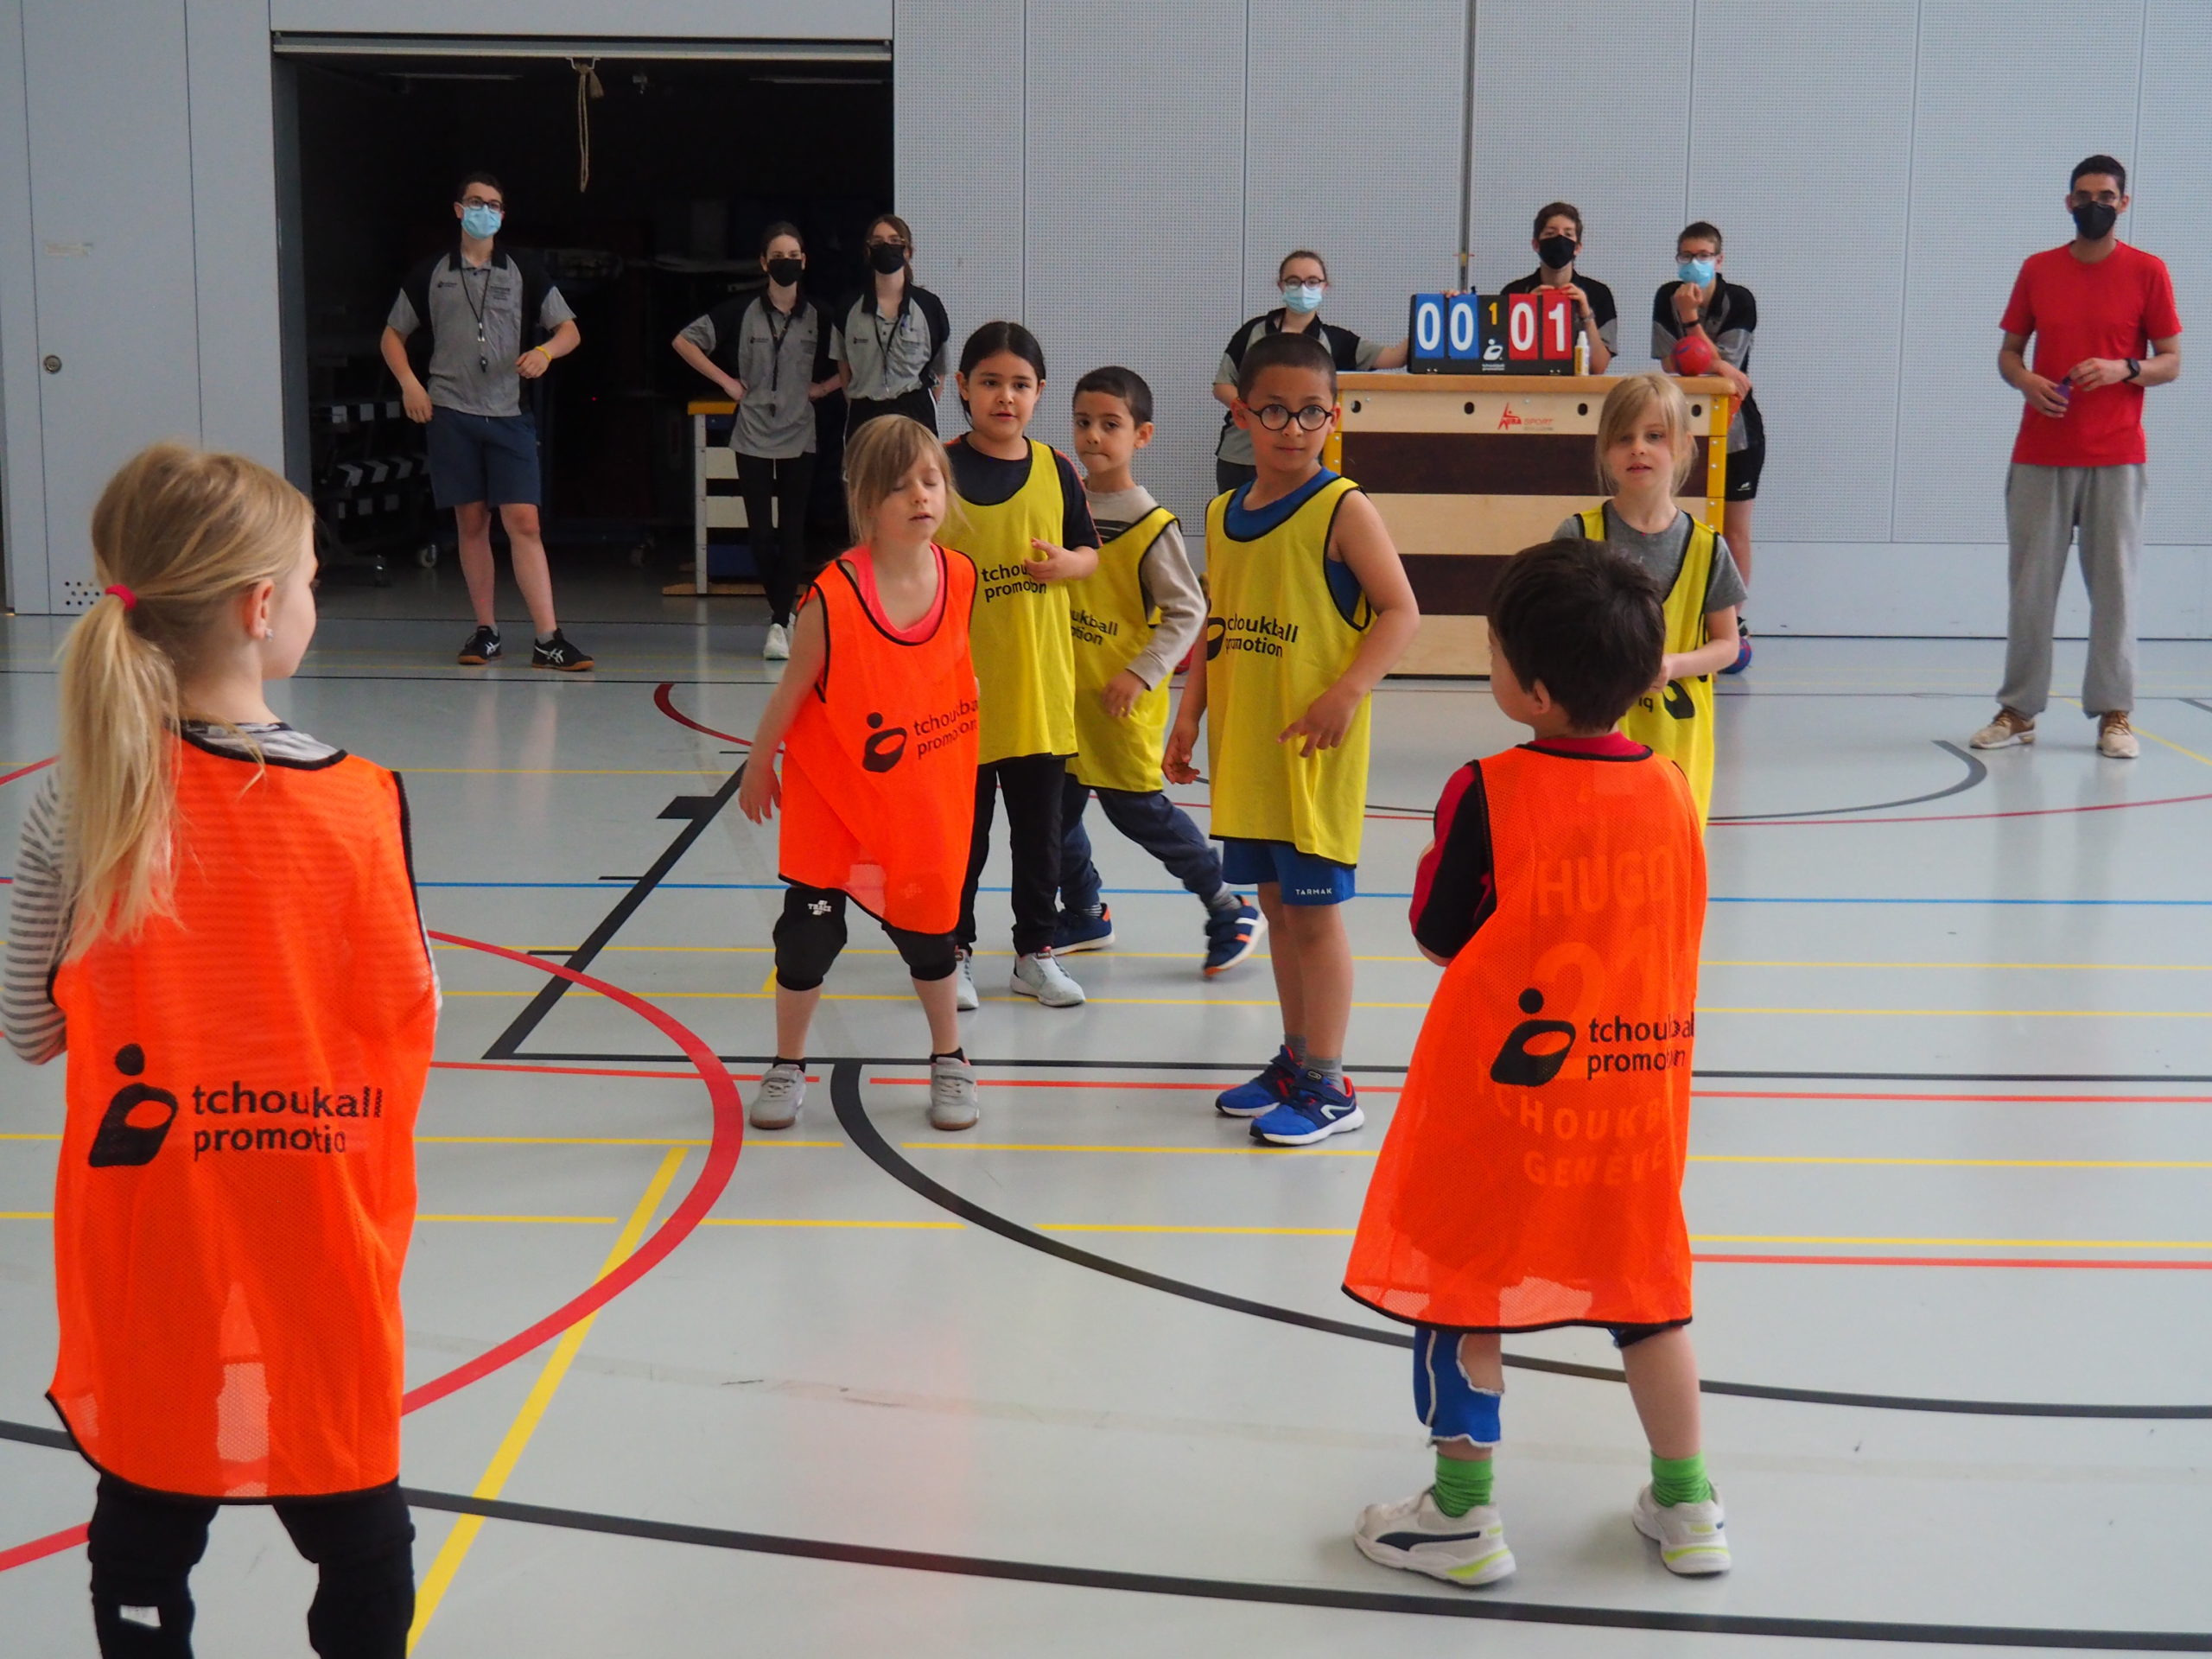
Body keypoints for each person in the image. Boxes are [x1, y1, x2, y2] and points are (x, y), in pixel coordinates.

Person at [5, 444, 438, 1656]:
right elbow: (410, 1010)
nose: (311, 601)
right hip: (315, 1208)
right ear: (259, 609)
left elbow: (30, 1027)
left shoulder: (78, 798)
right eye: (309, 582)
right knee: (355, 1515)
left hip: (153, 1218)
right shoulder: (362, 802)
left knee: (146, 1507)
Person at [1344, 536, 1726, 1588]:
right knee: (1648, 1296)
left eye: (1496, 652)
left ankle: (1460, 1514)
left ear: (1537, 692)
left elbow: (1439, 935)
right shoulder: (1671, 790)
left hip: (1503, 1108)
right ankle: (1688, 1504)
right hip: (1630, 1106)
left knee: (1457, 1290)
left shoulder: (1487, 789)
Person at [1167, 331, 1419, 1146]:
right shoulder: (1222, 513)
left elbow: (1401, 611)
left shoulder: (1343, 508)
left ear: (1333, 417)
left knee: (1315, 919)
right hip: (1250, 752)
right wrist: (1189, 714)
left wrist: (1348, 690)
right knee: (1277, 911)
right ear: (1241, 414)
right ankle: (1297, 1057)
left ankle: (1330, 1084)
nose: (1293, 427)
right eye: (1274, 410)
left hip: (1314, 756)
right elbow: (1220, 622)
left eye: (1312, 412)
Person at [735, 417, 982, 1133]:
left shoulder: (961, 576)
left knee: (931, 935)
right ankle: (787, 1063)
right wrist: (758, 764)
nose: (921, 497)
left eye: (931, 481)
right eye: (900, 486)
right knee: (806, 937)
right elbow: (791, 691)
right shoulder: (833, 595)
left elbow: (951, 673)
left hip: (919, 795)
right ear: (866, 500)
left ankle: (950, 1058)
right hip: (833, 795)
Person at [1052, 365, 1265, 976]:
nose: (1094, 436)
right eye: (1083, 422)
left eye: (1110, 424)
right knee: (1052, 817)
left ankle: (1229, 907)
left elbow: (1188, 610)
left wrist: (1142, 672)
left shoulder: (1150, 524)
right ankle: (1085, 910)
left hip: (1119, 704)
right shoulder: (1064, 506)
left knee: (1139, 814)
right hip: (1064, 700)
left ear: (1142, 435)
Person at [1974, 154, 2183, 761]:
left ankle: (2115, 714)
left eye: (2107, 196)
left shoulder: (2148, 271)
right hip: (2040, 453)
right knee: (2030, 591)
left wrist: (2126, 368)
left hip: (2117, 455)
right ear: (2069, 203)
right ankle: (2019, 711)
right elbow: (2009, 353)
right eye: (2085, 195)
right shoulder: (2038, 269)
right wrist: (2025, 381)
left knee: (2115, 590)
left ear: (2124, 203)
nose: (2095, 205)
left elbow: (2172, 361)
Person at [944, 322, 1101, 1010]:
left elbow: (1089, 553)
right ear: (963, 387)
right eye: (990, 382)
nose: (1005, 396)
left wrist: (1070, 564)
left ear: (1039, 392)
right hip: (958, 697)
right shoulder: (937, 467)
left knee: (1040, 840)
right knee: (962, 840)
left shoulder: (1057, 469)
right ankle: (953, 953)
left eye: (1020, 384)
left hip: (1039, 691)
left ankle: (1035, 954)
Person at [380, 171, 593, 671]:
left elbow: (569, 331)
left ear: (503, 214)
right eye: (476, 202)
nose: (485, 210)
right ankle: (486, 630)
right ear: (459, 210)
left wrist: (545, 352)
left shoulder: (523, 270)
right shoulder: (430, 273)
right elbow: (392, 335)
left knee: (524, 521)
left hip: (508, 413)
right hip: (451, 411)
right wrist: (411, 384)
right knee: (471, 521)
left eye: (494, 204)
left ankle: (548, 637)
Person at [1558, 372, 1743, 828]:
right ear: (1605, 450)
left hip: (1678, 742)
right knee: (1599, 853)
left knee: (1668, 858)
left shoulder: (1707, 548)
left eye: (1655, 436)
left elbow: (1728, 645)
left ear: (1683, 446)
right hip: (1595, 736)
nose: (1638, 448)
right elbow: (1551, 633)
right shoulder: (1578, 536)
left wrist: (1672, 665)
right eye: (1624, 437)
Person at [672, 221, 842, 661]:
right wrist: (726, 381)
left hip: (800, 433)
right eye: (778, 256)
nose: (787, 263)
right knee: (761, 535)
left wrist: (824, 388)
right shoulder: (740, 310)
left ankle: (778, 622)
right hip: (751, 434)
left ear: (805, 261)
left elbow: (855, 360)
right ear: (764, 263)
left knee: (792, 530)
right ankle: (784, 613)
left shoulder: (821, 315)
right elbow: (684, 341)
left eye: (794, 256)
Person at [1652, 220, 1760, 673]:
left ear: (1719, 259)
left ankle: (1734, 625)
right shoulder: (1667, 296)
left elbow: (1723, 367)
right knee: (1680, 524)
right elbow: (1672, 363)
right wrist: (1711, 361)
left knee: (1733, 532)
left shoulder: (1740, 300)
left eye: (1703, 255)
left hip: (1738, 431)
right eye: (1686, 255)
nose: (1693, 263)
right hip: (1683, 428)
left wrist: (1693, 323)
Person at [1211, 251, 1409, 497]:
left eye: (1313, 281)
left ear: (1325, 286)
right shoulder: (1253, 332)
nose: (1303, 289)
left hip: (1303, 460)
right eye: (1294, 281)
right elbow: (1222, 385)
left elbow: (1395, 357)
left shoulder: (1337, 341)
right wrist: (1262, 414)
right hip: (1242, 458)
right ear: (1281, 285)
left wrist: (1444, 309)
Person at [830, 213, 952, 435]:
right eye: (878, 242)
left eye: (895, 241)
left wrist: (926, 403)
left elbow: (940, 367)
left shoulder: (929, 306)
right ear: (868, 251)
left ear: (908, 251)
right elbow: (843, 364)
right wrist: (855, 400)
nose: (886, 247)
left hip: (916, 413)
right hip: (865, 414)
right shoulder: (848, 307)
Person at [1500, 201, 1616, 375]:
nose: (1560, 240)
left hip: (1576, 389)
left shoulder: (1599, 294)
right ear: (1536, 244)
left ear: (1577, 247)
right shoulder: (1514, 292)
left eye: (1568, 234)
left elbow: (1597, 368)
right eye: (1550, 233)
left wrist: (1586, 315)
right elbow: (1503, 360)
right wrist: (1526, 308)